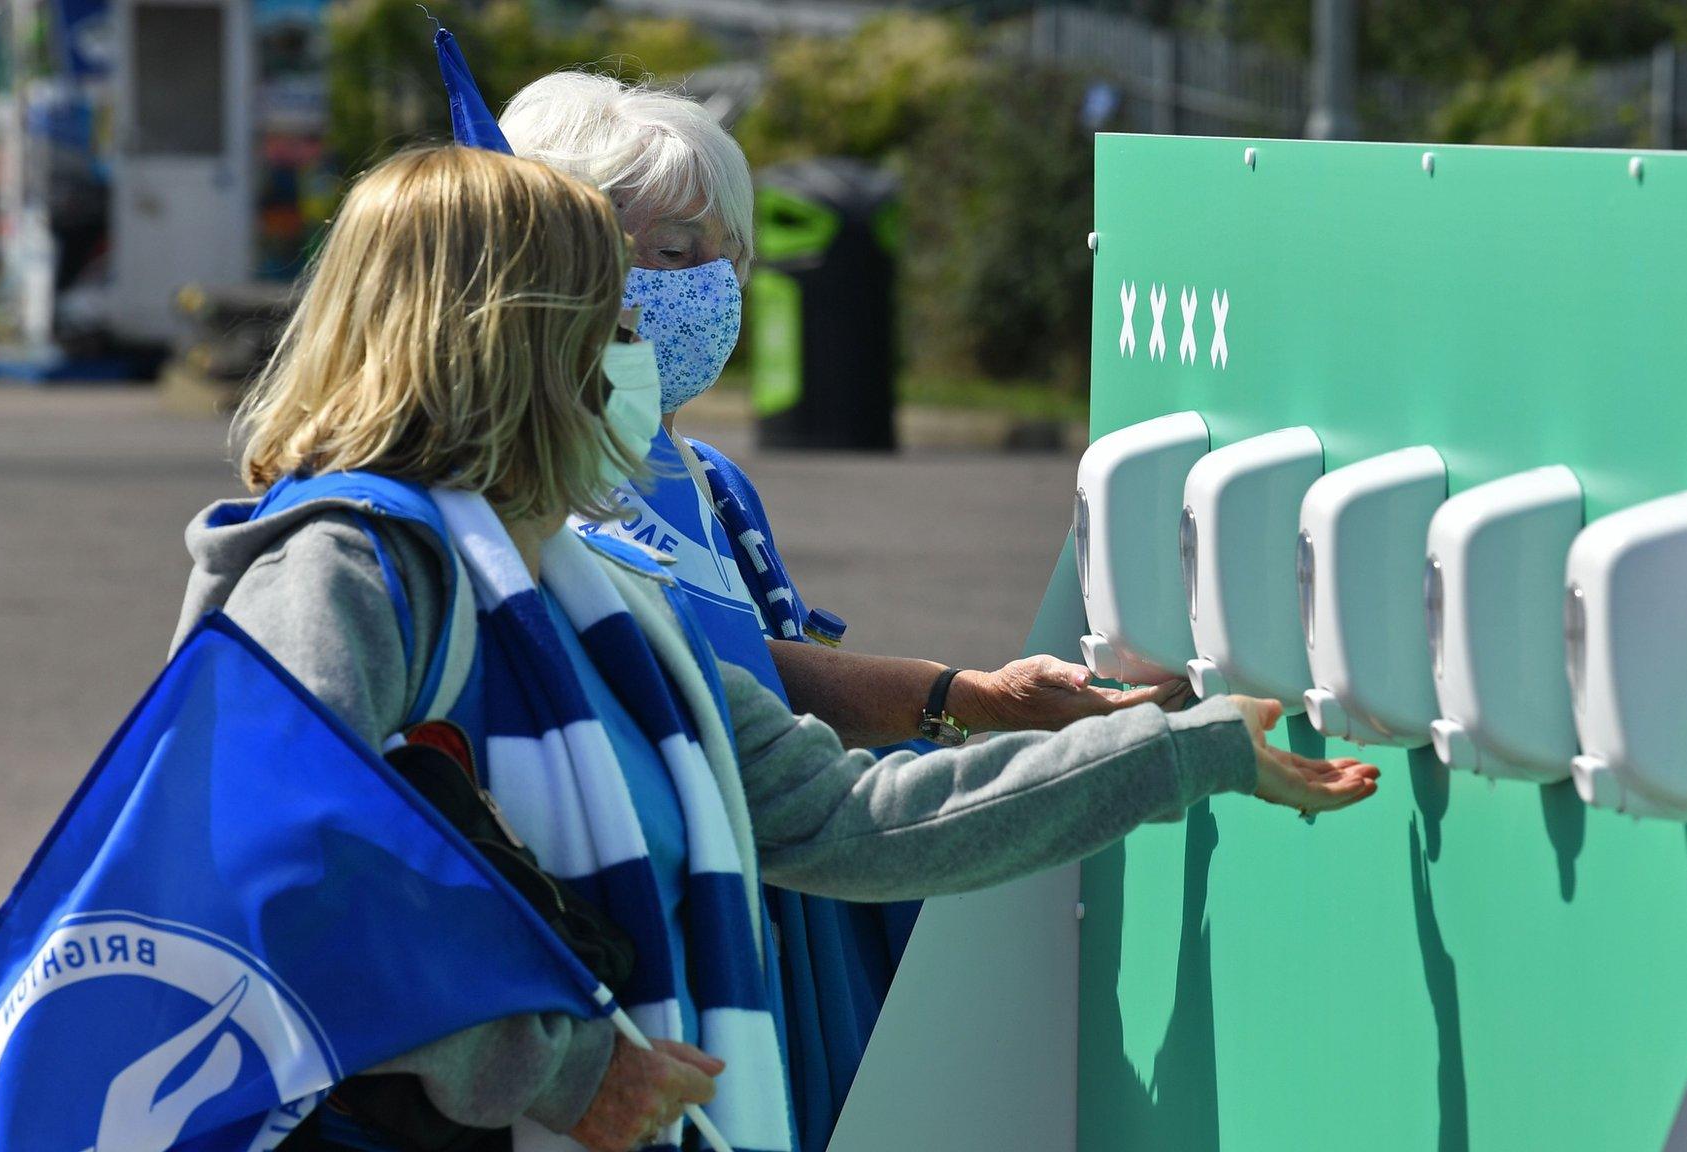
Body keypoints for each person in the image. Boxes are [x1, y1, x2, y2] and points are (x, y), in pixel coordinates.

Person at [178, 144, 1377, 1151]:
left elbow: (845, 823)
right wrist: (556, 1074)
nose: (633, 350)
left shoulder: (590, 589)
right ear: (501, 340)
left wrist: (1188, 752)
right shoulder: (341, 571)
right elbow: (271, 880)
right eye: (607, 314)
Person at [497, 73, 1185, 1150]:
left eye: (725, 255)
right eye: (672, 254)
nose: (711, 285)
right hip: (641, 944)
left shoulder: (706, 475)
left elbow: (750, 679)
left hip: (787, 916)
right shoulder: (514, 489)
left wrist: (964, 699)